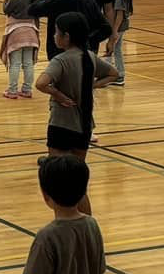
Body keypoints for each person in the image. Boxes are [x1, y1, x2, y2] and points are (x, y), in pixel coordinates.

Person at [37, 11, 113, 181]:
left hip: (62, 123)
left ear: (66, 37)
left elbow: (41, 83)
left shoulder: (60, 60)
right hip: (84, 124)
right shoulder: (90, 57)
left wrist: (58, 94)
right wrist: (91, 84)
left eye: (56, 32)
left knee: (58, 180)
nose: (54, 35)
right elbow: (113, 74)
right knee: (77, 183)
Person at [1, 0, 40, 100]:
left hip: (16, 34)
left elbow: (5, 10)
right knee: (28, 63)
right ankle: (27, 90)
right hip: (31, 34)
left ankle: (12, 90)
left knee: (15, 64)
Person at [105, 0, 135, 85]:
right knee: (116, 49)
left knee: (110, 48)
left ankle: (109, 74)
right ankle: (119, 74)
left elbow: (119, 15)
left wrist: (114, 31)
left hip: (119, 27)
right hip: (122, 27)